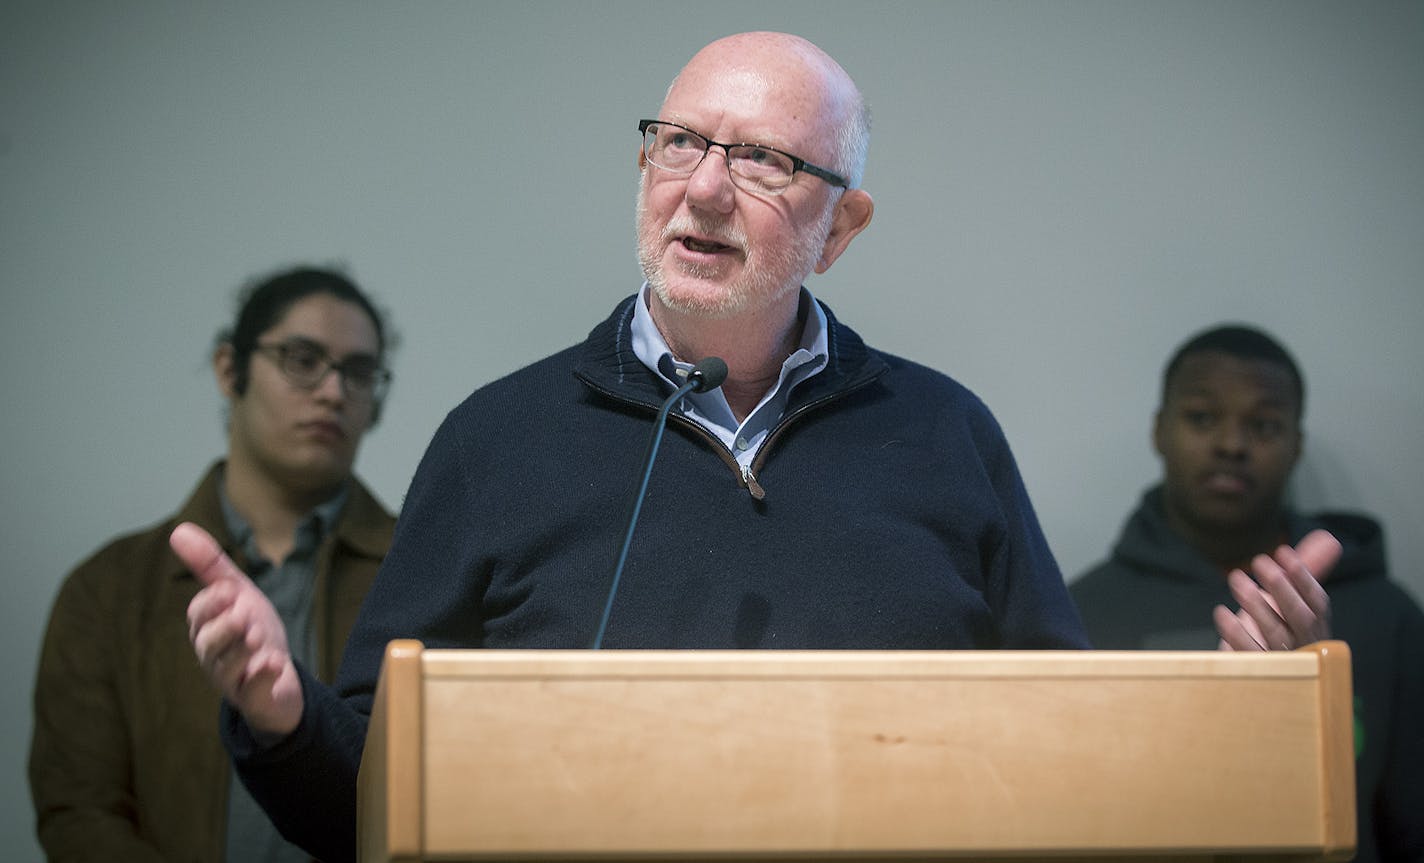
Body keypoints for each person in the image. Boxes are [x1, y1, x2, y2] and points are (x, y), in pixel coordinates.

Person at [175, 34, 1334, 863]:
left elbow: (1066, 756)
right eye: (679, 143)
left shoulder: (945, 434)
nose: (707, 190)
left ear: (840, 228)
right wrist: (282, 717)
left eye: (767, 161)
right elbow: (367, 803)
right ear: (644, 170)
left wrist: (1239, 709)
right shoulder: (495, 437)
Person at [29, 266, 397, 862]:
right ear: (231, 369)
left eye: (358, 372)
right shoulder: (108, 591)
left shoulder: (419, 570)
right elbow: (78, 813)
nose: (334, 391)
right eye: (302, 359)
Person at [1070, 324, 1424, 863]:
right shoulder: (1080, 613)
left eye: (1262, 424)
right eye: (1203, 418)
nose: (1232, 445)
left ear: (1295, 445)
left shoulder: (1386, 615)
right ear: (1159, 431)